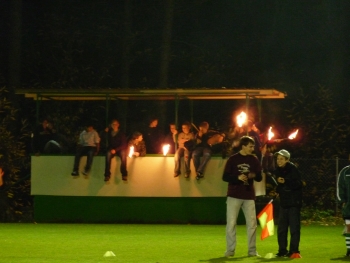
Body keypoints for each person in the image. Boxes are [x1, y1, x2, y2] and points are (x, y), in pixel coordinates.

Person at [222, 135, 262, 258]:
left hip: (249, 195)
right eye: (250, 146)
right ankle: (230, 250)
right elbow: (225, 177)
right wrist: (237, 178)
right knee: (231, 223)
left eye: (253, 146)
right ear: (243, 146)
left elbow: (259, 177)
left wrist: (252, 175)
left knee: (252, 224)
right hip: (234, 195)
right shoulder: (233, 159)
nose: (252, 148)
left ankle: (252, 251)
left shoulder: (254, 160)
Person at [274, 149, 303, 258]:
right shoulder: (277, 170)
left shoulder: (293, 169)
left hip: (294, 203)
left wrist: (285, 181)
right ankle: (282, 251)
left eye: (281, 159)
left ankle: (294, 251)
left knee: (294, 228)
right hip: (284, 203)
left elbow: (298, 184)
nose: (279, 161)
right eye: (278, 159)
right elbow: (280, 186)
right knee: (281, 229)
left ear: (287, 160)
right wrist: (277, 190)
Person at [336, 165, 350, 257]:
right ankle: (349, 250)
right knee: (349, 228)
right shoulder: (345, 171)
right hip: (349, 207)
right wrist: (342, 201)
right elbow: (339, 187)